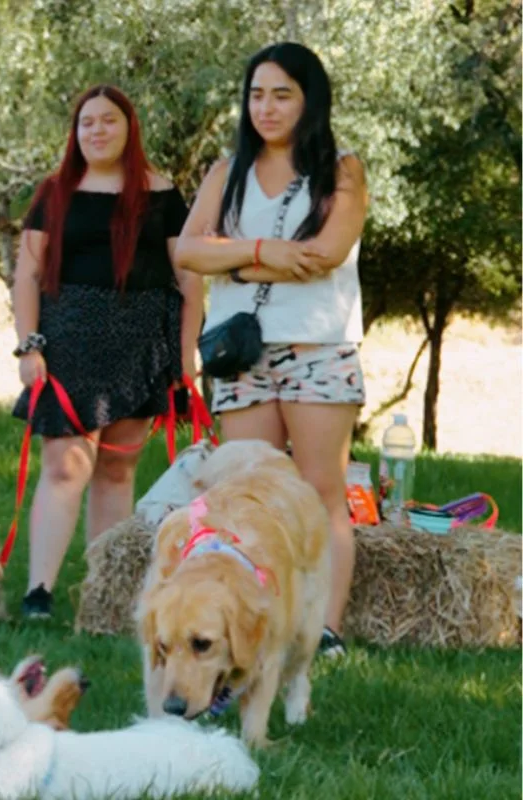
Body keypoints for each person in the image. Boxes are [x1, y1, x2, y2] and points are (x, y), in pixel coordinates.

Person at [174, 42, 369, 659]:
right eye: (257, 94)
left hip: (318, 349)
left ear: (310, 99)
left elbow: (327, 252)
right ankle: (255, 620)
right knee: (247, 491)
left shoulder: (342, 169)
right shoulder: (225, 170)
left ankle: (326, 629)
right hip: (242, 355)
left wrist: (228, 251)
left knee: (319, 491)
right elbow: (185, 252)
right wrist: (265, 253)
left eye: (282, 93)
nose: (267, 106)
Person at [11, 85, 204, 619]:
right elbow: (27, 274)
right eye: (86, 122)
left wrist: (185, 356)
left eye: (108, 121)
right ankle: (39, 595)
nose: (96, 131)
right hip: (68, 343)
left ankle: (105, 593)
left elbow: (188, 278)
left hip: (141, 346)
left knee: (118, 472)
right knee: (64, 466)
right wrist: (28, 346)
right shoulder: (54, 192)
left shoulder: (163, 193)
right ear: (75, 133)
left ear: (129, 128)